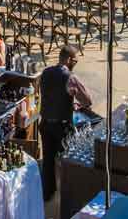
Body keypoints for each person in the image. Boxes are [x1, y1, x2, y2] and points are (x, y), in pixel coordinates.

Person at [39, 44, 93, 201]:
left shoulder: (46, 72)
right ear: (69, 59)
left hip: (46, 123)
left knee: (48, 160)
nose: (75, 65)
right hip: (61, 126)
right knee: (68, 162)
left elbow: (49, 95)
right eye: (75, 61)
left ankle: (47, 193)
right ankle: (67, 197)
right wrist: (76, 103)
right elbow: (87, 100)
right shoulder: (70, 77)